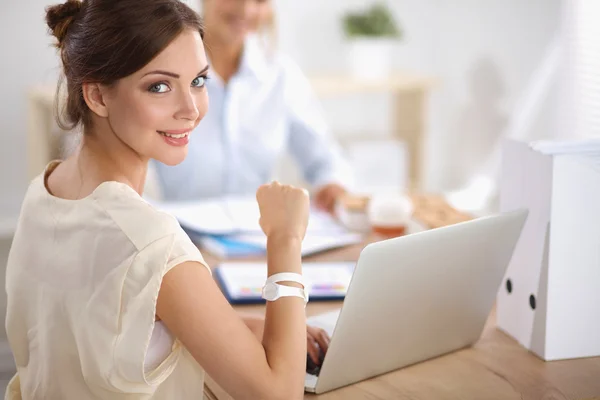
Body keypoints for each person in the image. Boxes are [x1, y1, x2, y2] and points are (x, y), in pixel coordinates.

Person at [4, 0, 329, 398]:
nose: (191, 110)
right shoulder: (153, 243)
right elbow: (279, 395)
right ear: (98, 97)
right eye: (159, 86)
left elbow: (103, 324)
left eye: (198, 81)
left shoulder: (46, 189)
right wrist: (284, 239)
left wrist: (240, 328)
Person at [148, 0, 352, 213]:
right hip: (180, 237)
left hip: (260, 234)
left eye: (259, 1)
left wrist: (333, 185)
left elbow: (326, 160)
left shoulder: (281, 75)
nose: (246, 10)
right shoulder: (161, 71)